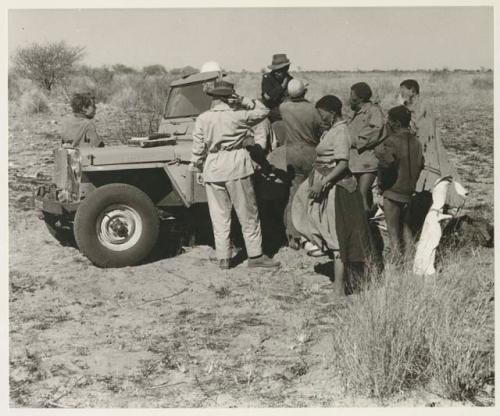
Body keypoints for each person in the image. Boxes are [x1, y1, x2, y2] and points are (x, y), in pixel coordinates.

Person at [189, 79, 280, 270]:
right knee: (248, 213)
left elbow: (198, 149)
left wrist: (197, 168)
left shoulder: (203, 118)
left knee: (219, 215)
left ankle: (224, 257)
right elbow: (264, 112)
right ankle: (255, 255)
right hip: (237, 166)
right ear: (230, 96)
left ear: (213, 97)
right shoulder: (239, 116)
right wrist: (245, 101)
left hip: (212, 167)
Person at [292, 95, 374, 297]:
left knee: (337, 235)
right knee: (320, 225)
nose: (320, 118)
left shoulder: (341, 132)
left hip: (336, 190)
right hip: (326, 186)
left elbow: (343, 164)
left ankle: (339, 288)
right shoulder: (332, 131)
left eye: (322, 114)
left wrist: (324, 182)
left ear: (331, 112)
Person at [399, 79, 465, 231]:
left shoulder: (424, 105)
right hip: (417, 146)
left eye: (404, 90)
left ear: (413, 90)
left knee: (432, 180)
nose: (401, 93)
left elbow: (421, 127)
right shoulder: (408, 106)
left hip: (428, 148)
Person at [375, 105, 424, 262]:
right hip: (409, 191)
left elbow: (386, 164)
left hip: (393, 191)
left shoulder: (391, 141)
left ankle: (396, 263)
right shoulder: (416, 141)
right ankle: (411, 261)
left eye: (389, 120)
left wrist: (381, 183)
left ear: (395, 123)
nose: (387, 123)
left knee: (393, 232)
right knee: (406, 228)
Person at [279, 79, 323, 249]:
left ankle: (293, 235)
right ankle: (309, 234)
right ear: (304, 92)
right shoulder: (313, 109)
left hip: (290, 154)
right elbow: (320, 130)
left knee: (294, 194)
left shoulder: (284, 107)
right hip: (310, 153)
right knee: (311, 194)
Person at [347, 82, 385, 214]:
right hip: (356, 162)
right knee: (362, 193)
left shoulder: (373, 111)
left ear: (361, 98)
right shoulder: (354, 112)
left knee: (361, 194)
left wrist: (355, 142)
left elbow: (376, 131)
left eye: (352, 97)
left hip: (367, 161)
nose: (350, 99)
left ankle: (364, 225)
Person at [261, 53, 294, 121]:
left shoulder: (290, 80)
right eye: (275, 70)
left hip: (287, 111)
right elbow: (269, 97)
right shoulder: (267, 78)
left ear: (286, 69)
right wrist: (282, 87)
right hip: (271, 112)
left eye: (280, 70)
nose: (276, 72)